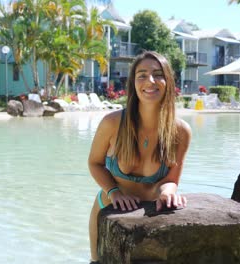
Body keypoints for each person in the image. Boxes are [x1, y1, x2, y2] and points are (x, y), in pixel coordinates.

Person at [87, 51, 192, 264]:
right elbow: (94, 163)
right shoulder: (112, 123)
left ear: (168, 81)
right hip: (108, 208)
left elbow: (171, 180)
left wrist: (169, 193)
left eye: (157, 74)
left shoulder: (181, 131)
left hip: (150, 216)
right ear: (134, 83)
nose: (150, 81)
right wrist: (114, 192)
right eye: (142, 75)